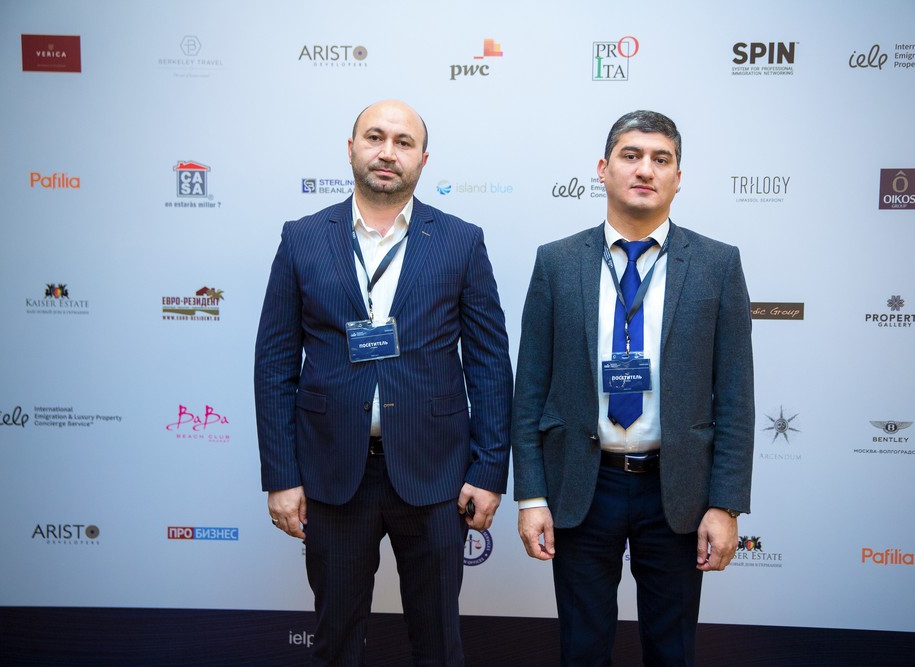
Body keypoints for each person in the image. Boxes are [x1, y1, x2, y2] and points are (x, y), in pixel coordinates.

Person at [254, 99, 513, 666]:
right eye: (375, 137)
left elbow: (490, 364)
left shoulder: (461, 241)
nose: (387, 152)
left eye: (403, 142)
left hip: (436, 475)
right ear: (352, 149)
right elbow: (274, 363)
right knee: (337, 643)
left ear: (424, 159)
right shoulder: (301, 238)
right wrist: (282, 475)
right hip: (332, 475)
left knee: (438, 642)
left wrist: (488, 470)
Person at [510, 110, 754, 666]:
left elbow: (736, 398)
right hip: (582, 485)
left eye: (661, 159)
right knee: (582, 650)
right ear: (603, 169)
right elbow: (530, 391)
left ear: (678, 177)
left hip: (677, 491)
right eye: (631, 155)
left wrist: (725, 505)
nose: (645, 169)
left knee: (671, 652)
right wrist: (531, 495)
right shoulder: (557, 262)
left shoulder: (717, 265)